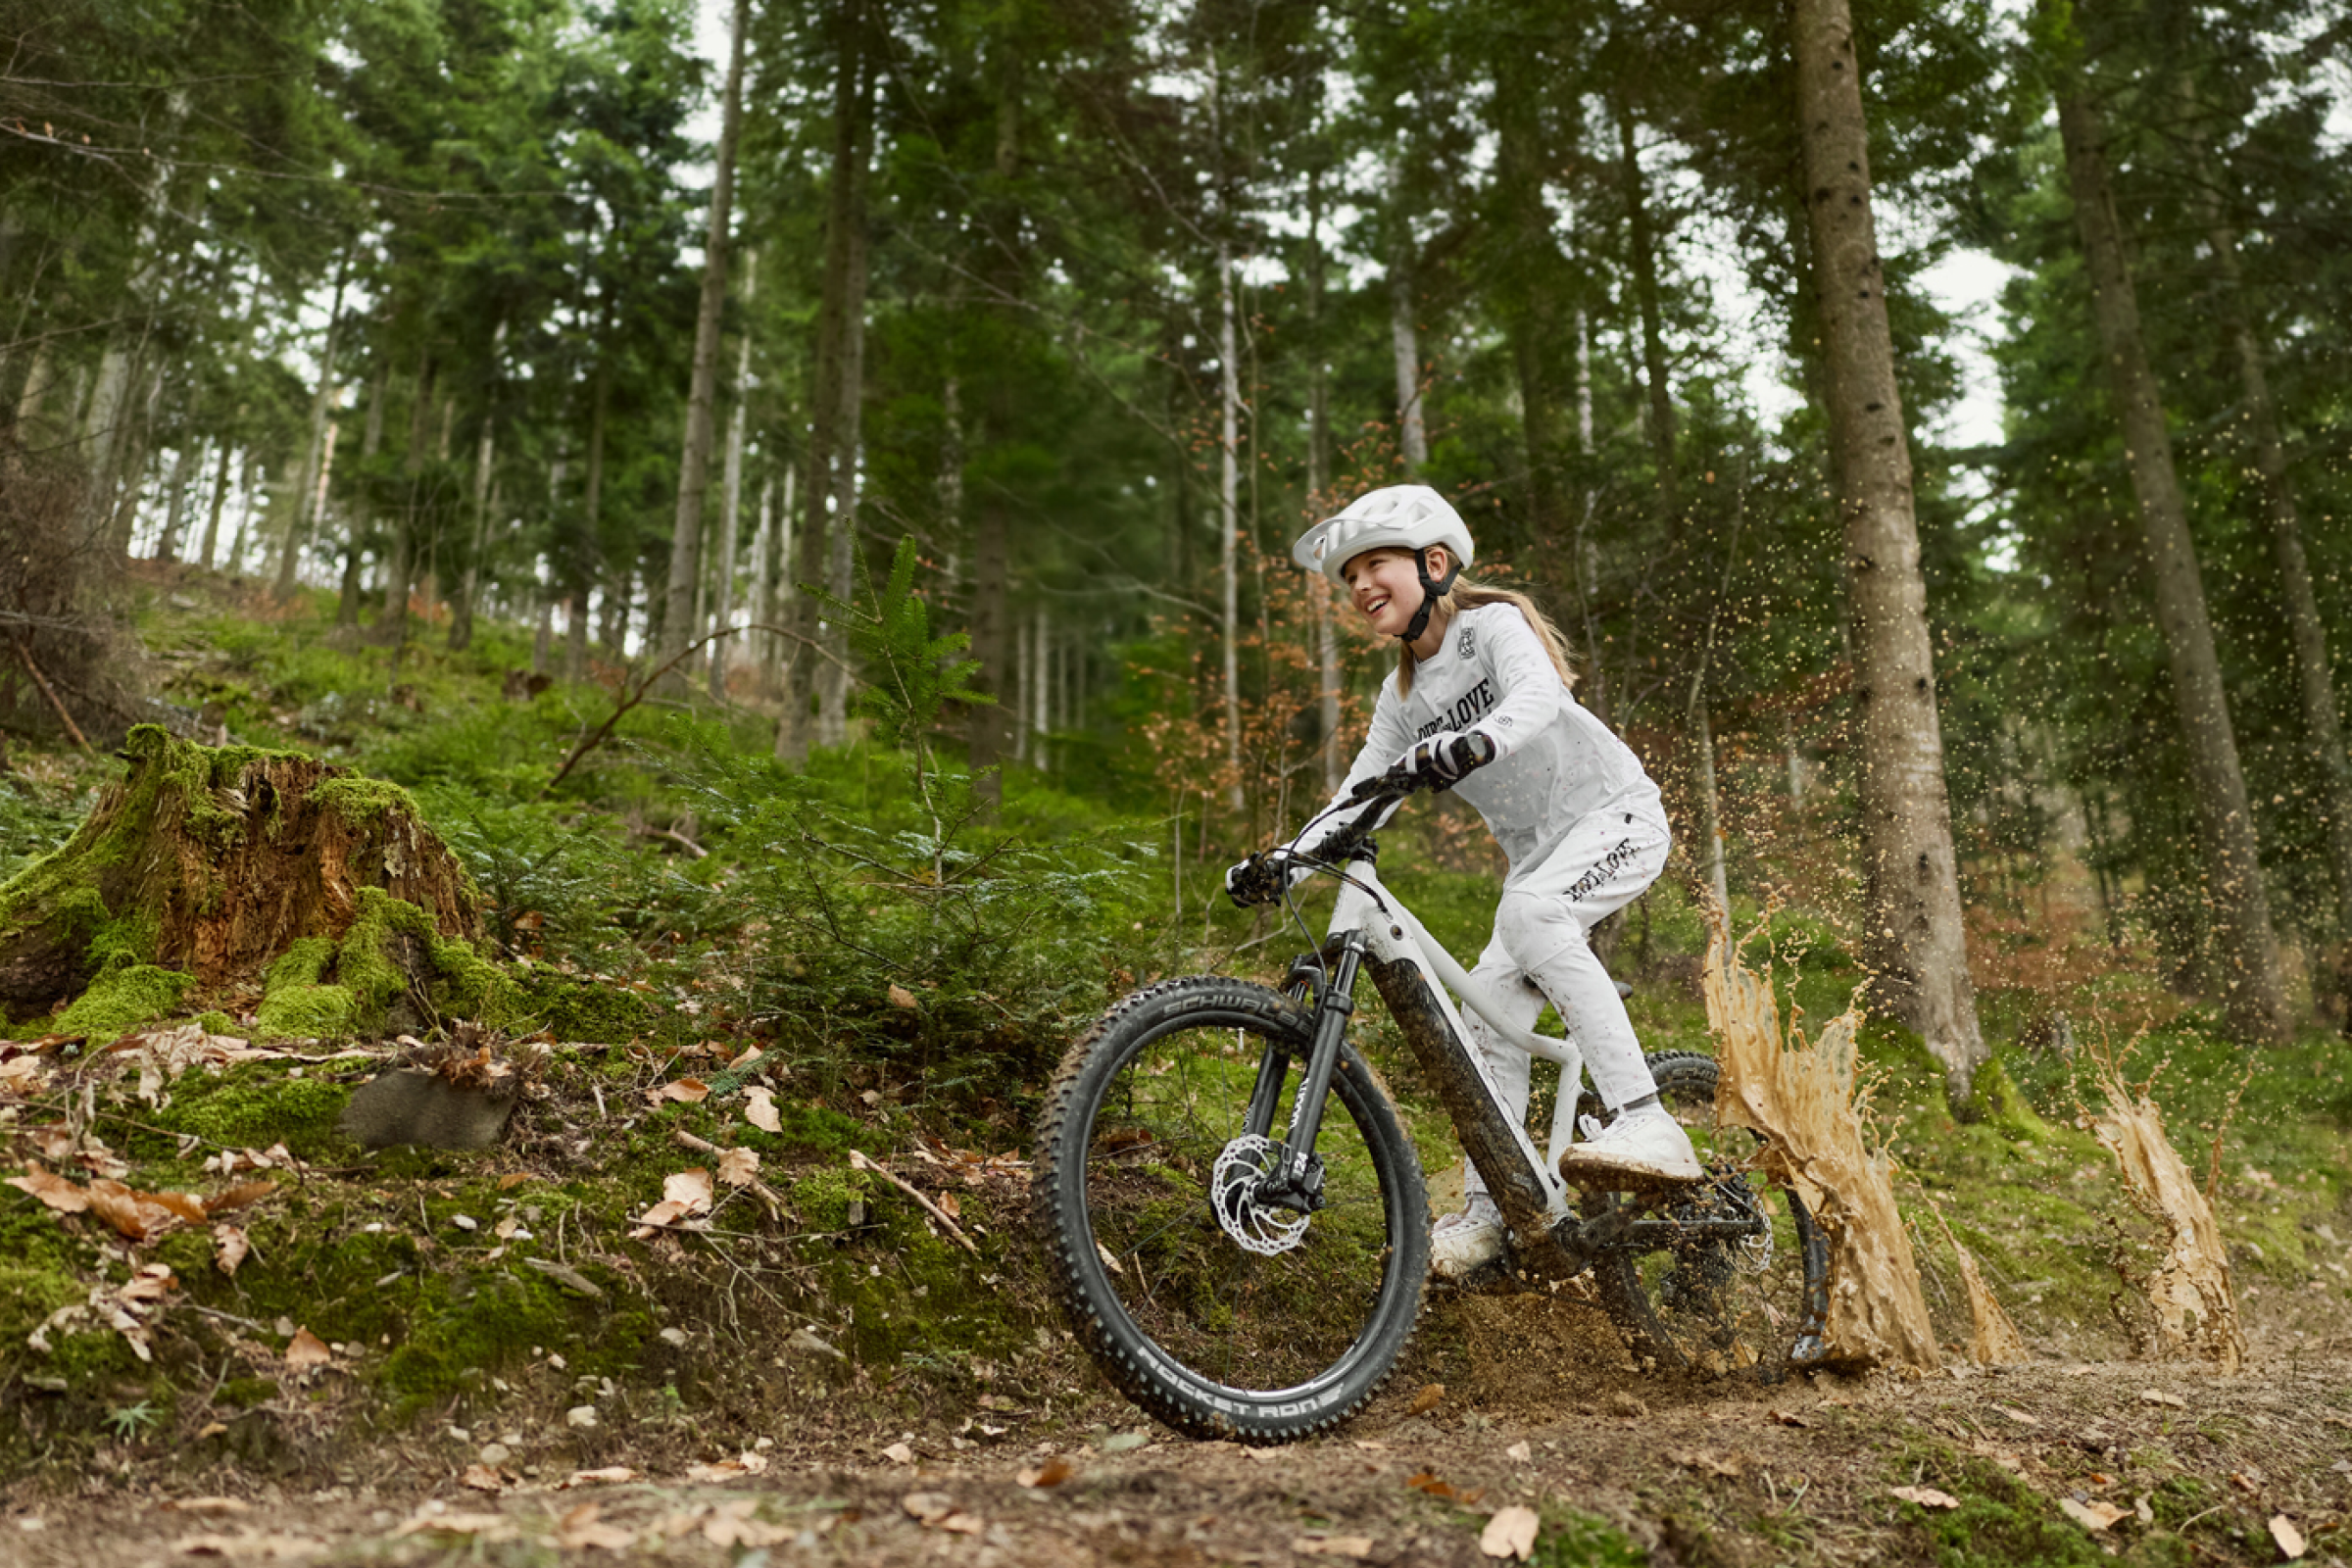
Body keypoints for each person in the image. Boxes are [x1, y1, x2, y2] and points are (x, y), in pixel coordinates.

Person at [1228, 482, 1700, 1282]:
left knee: (1533, 913)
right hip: (1540, 859)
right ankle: (1498, 1210)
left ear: (1435, 564)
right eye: (1349, 577)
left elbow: (1539, 695)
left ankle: (1647, 1117)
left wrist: (1476, 741)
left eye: (1376, 564)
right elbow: (1360, 793)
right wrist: (1287, 857)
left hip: (1617, 818)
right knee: (1487, 1016)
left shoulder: (1491, 628)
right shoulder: (1402, 694)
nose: (1360, 585)